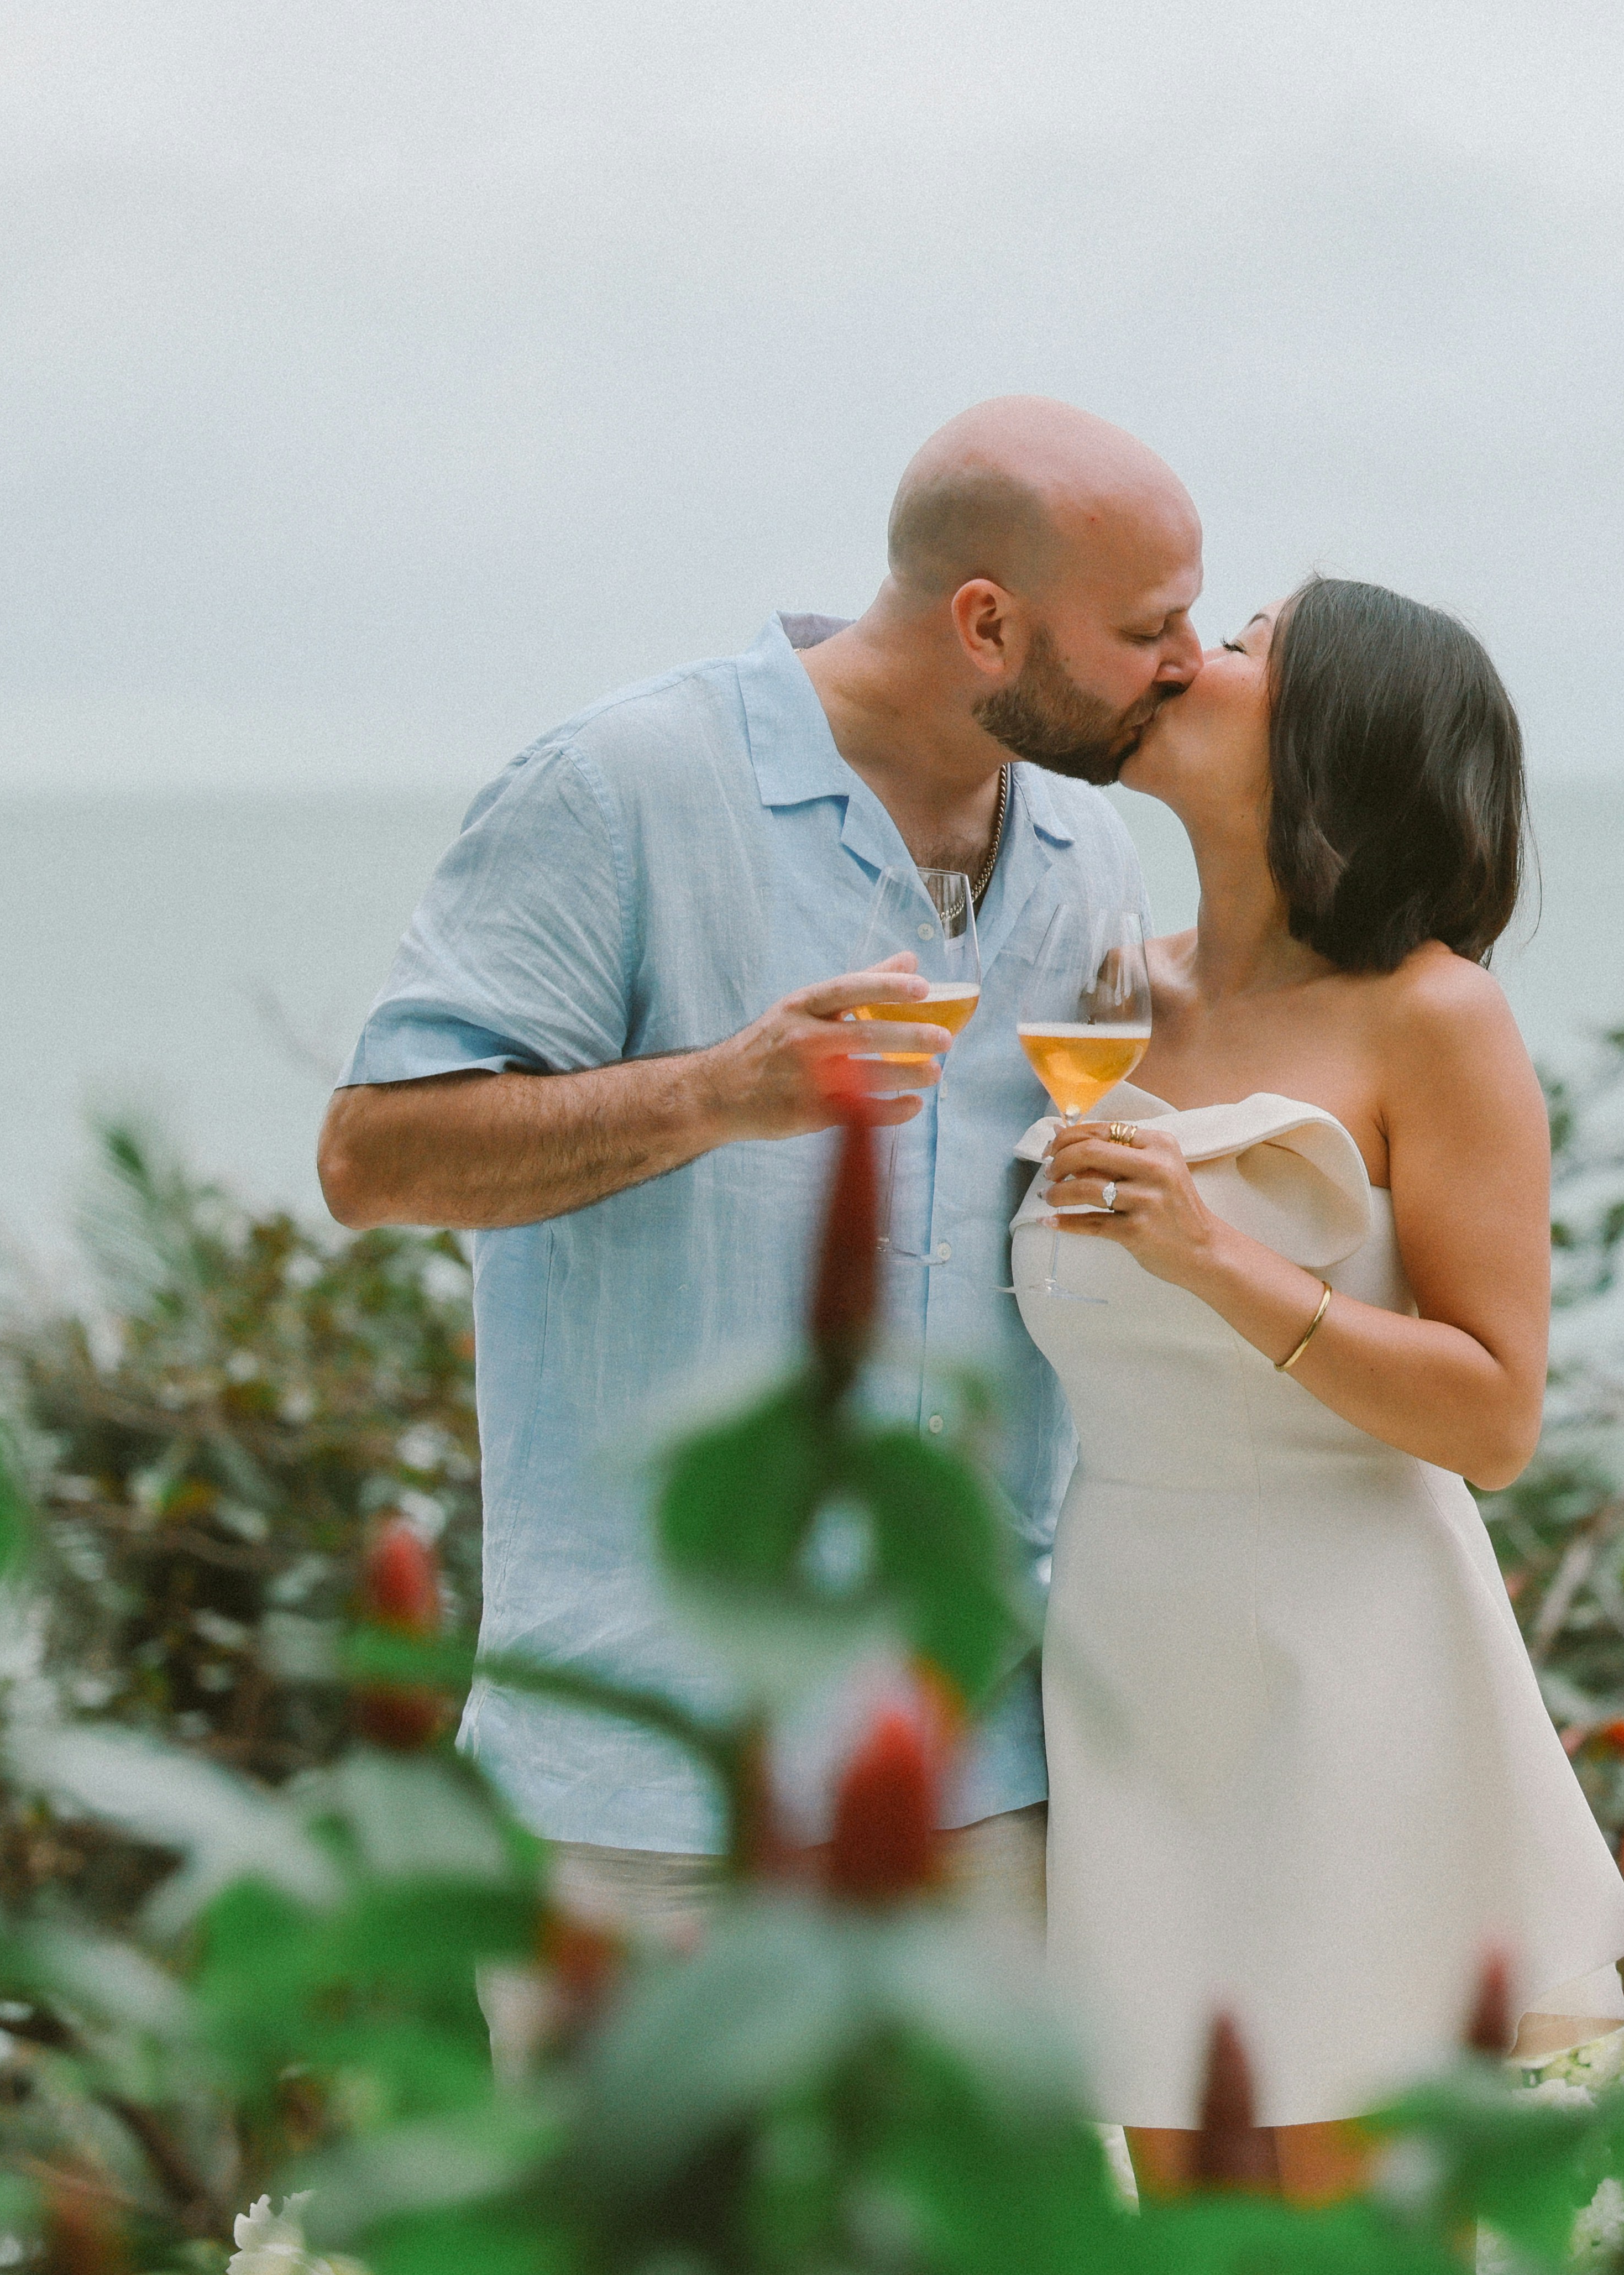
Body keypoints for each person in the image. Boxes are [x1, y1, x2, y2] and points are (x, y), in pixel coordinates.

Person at [317, 398, 1197, 2046]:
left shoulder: (1086, 853)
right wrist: (718, 1089)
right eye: (1147, 628)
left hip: (977, 1769)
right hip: (650, 1778)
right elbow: (375, 1158)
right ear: (986, 622)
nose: (1188, 664)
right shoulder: (619, 786)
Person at [1019, 576, 1624, 2200]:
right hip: (1130, 1661)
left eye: (1239, 649)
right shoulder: (1094, 995)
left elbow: (1496, 1413)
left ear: (1329, 740)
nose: (1187, 661)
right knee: (1188, 2225)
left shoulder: (1432, 1014)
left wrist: (1220, 1261)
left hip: (1351, 1664)